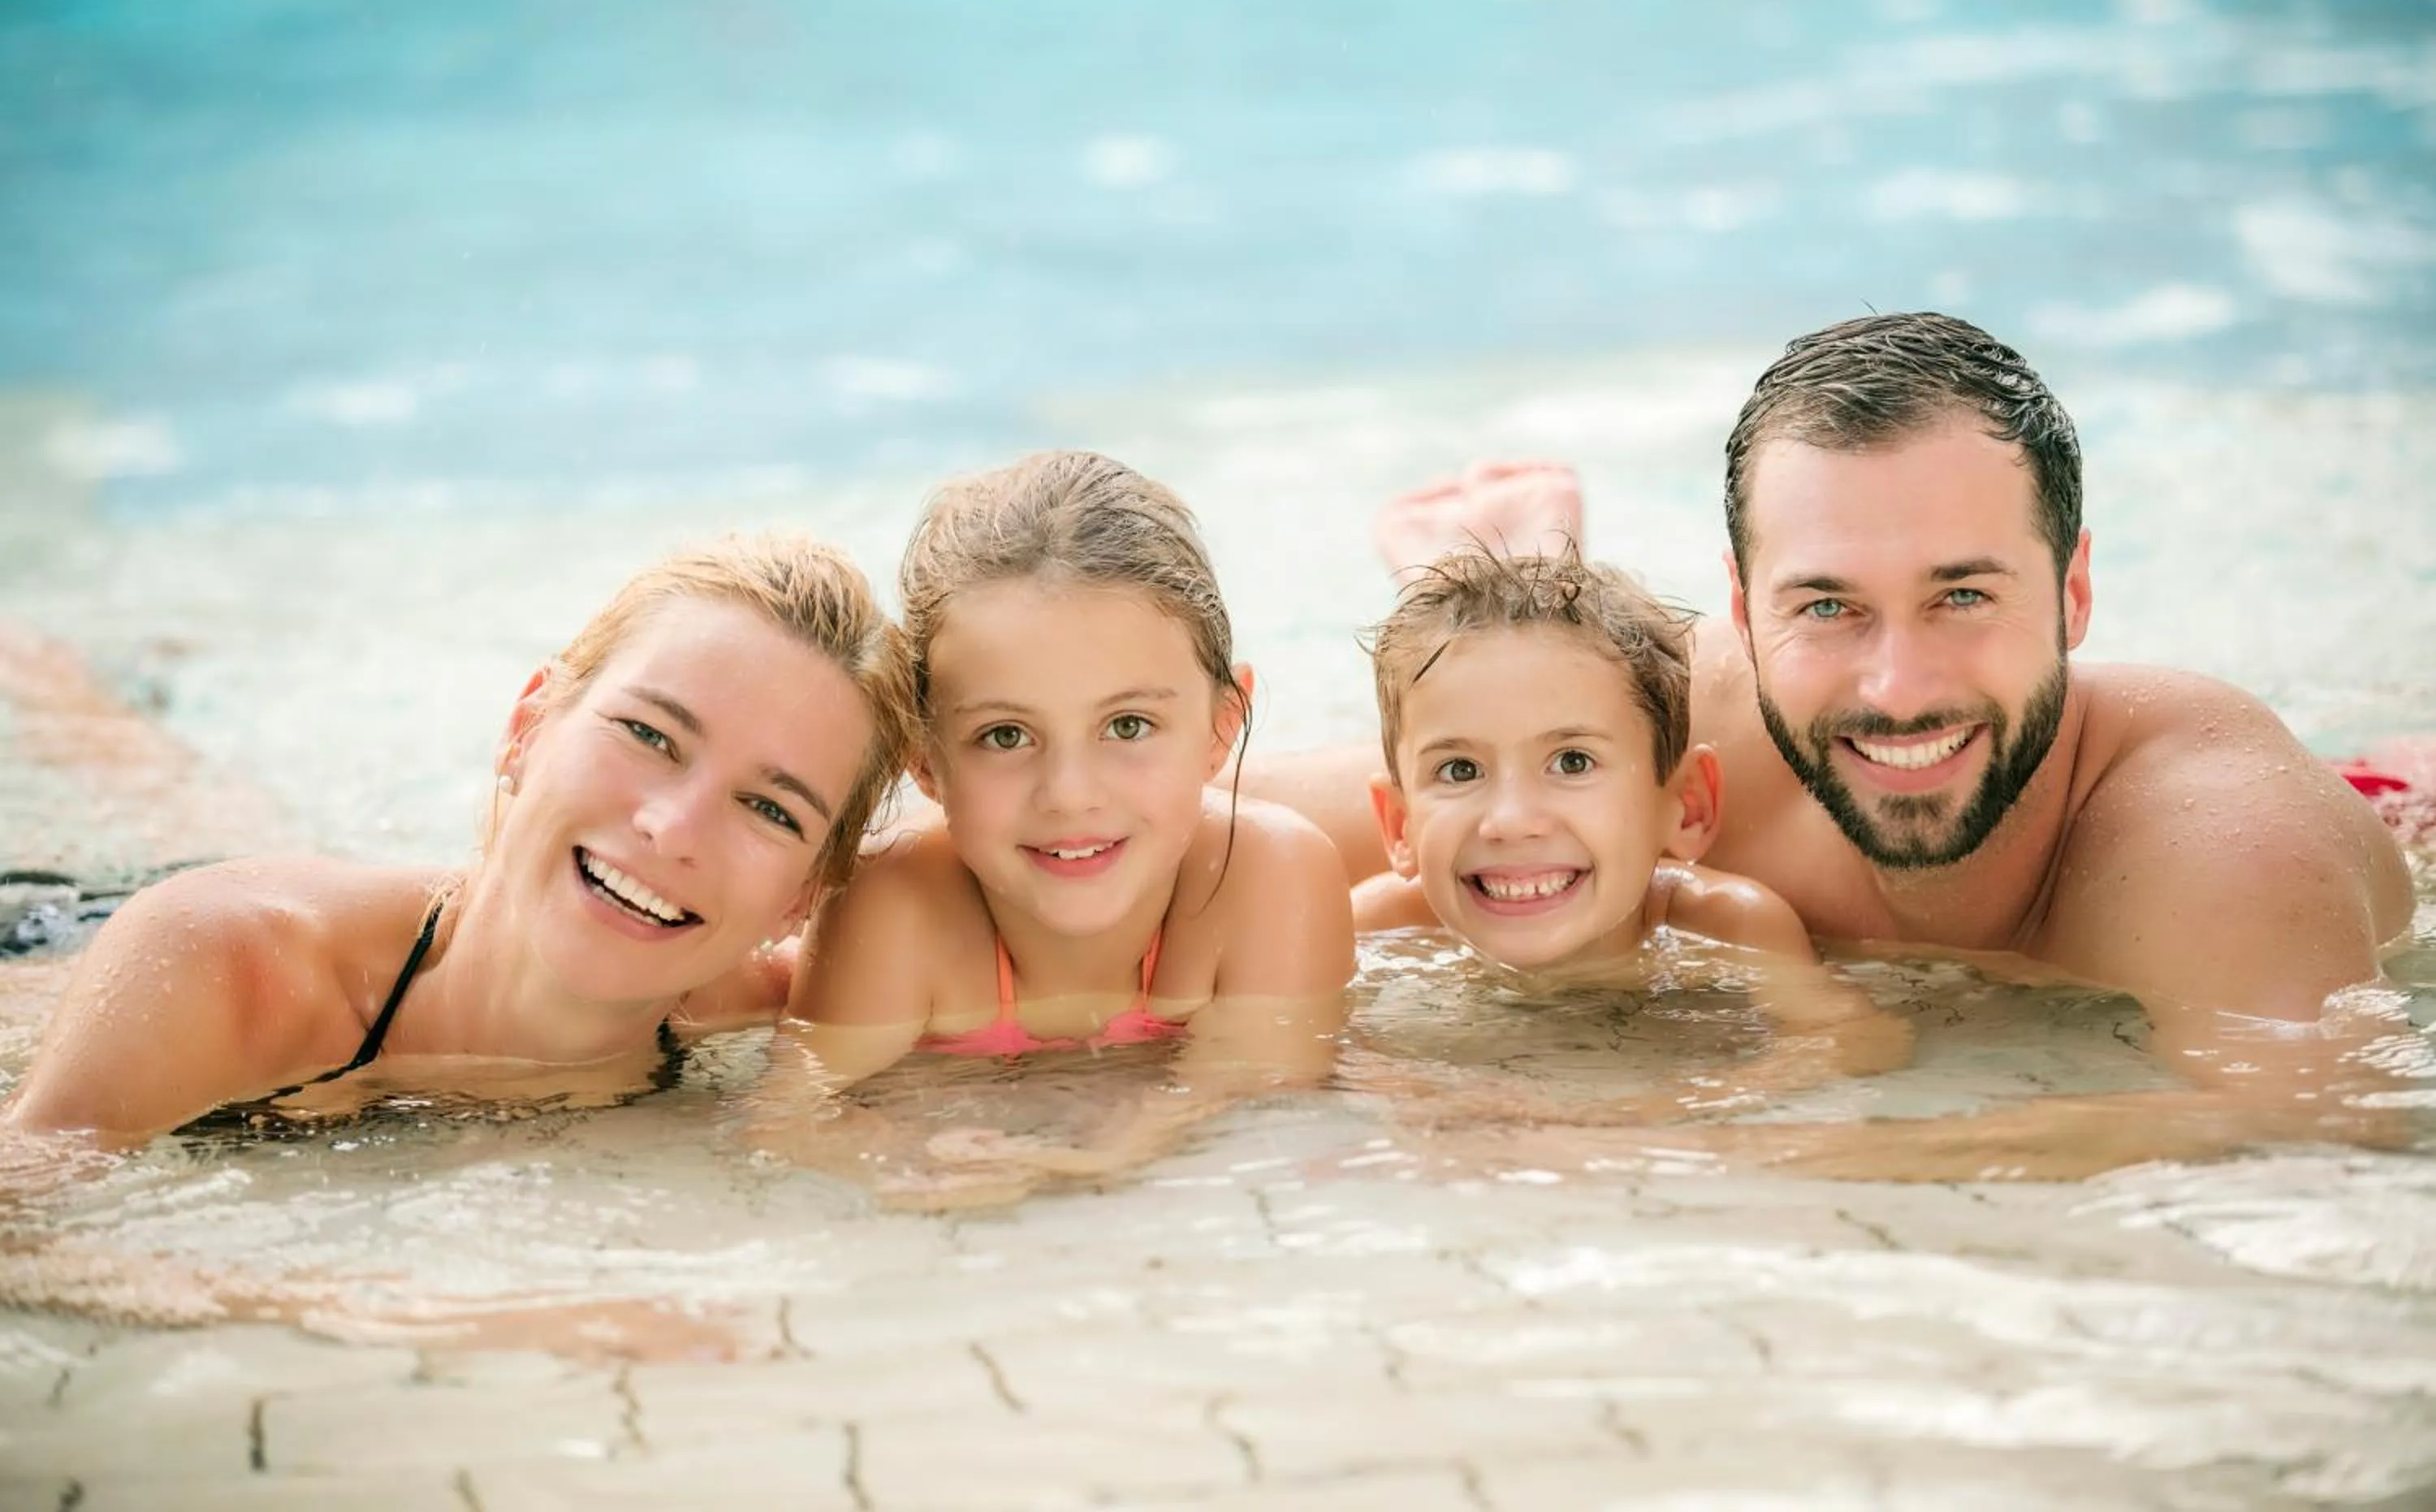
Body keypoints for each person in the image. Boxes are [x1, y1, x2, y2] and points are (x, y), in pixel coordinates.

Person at [1257, 313, 2420, 1179]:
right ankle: (1526, 581)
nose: (1897, 689)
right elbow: (1193, 814)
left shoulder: (2215, 846)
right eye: (1826, 606)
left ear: (2073, 594)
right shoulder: (1712, 738)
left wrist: (1672, 1141)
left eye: (1964, 596)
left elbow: (2306, 1128)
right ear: (1746, 607)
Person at [2, 532, 918, 1148]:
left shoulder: (784, 1000)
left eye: (771, 809)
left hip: (366, 898)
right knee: (163, 795)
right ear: (526, 726)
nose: (672, 829)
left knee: (207, 810)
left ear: (803, 894)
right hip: (67, 935)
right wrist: (443, 1319)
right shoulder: (221, 963)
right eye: (648, 734)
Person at [750, 451, 1355, 1203]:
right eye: (1006, 736)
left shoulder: (1272, 875)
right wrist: (900, 1158)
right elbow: (787, 1119)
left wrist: (1091, 1162)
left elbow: (1267, 1085)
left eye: (1128, 725)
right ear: (925, 761)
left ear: (1220, 728)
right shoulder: (893, 903)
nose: (1069, 795)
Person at [1350, 542, 1911, 1122]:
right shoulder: (1371, 933)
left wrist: (1641, 1115)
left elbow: (1858, 1042)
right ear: (1399, 826)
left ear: (1686, 809)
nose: (1512, 822)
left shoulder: (1726, 928)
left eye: (1572, 762)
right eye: (1460, 770)